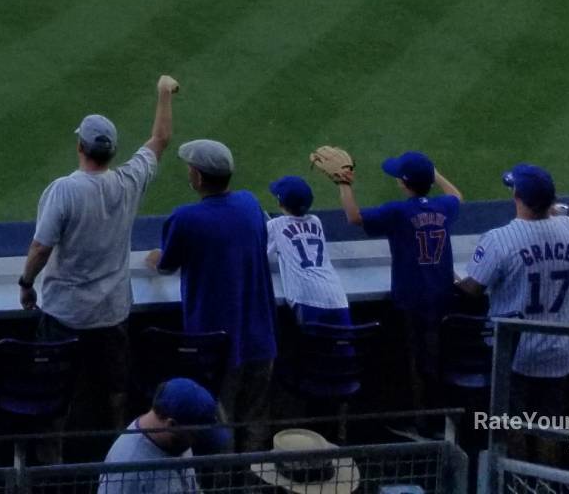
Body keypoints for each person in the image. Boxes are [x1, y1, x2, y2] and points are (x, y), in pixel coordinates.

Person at [22, 75, 179, 430]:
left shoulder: (64, 191)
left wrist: (25, 284)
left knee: (54, 391)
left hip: (64, 315)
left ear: (81, 147)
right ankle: (114, 450)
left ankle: (53, 462)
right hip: (112, 314)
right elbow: (160, 139)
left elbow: (39, 248)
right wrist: (164, 93)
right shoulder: (129, 181)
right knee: (115, 391)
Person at [145, 139, 275, 440]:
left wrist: (155, 258)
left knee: (217, 425)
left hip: (215, 346)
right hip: (261, 336)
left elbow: (166, 264)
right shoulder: (250, 204)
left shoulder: (186, 218)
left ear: (199, 177)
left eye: (191, 169)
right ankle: (252, 484)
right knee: (255, 422)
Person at [457, 165, 569, 447]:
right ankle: (546, 487)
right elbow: (566, 220)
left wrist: (451, 278)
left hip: (514, 352)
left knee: (511, 427)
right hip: (560, 348)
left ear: (517, 195)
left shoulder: (499, 239)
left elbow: (473, 289)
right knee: (551, 429)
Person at [330, 149, 462, 399]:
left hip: (411, 299)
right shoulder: (443, 207)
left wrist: (344, 183)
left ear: (403, 183)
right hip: (444, 295)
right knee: (440, 358)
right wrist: (434, 173)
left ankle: (423, 422)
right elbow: (456, 195)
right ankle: (440, 416)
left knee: (417, 361)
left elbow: (354, 216)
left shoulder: (398, 211)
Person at [99, 377, 227, 494]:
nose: (196, 443)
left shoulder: (177, 441)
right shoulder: (127, 471)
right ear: (171, 425)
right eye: (196, 436)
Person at [264, 178, 349, 328]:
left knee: (314, 348)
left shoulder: (275, 225)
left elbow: (260, 255)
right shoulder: (316, 221)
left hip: (307, 298)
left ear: (280, 203)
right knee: (342, 346)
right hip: (337, 296)